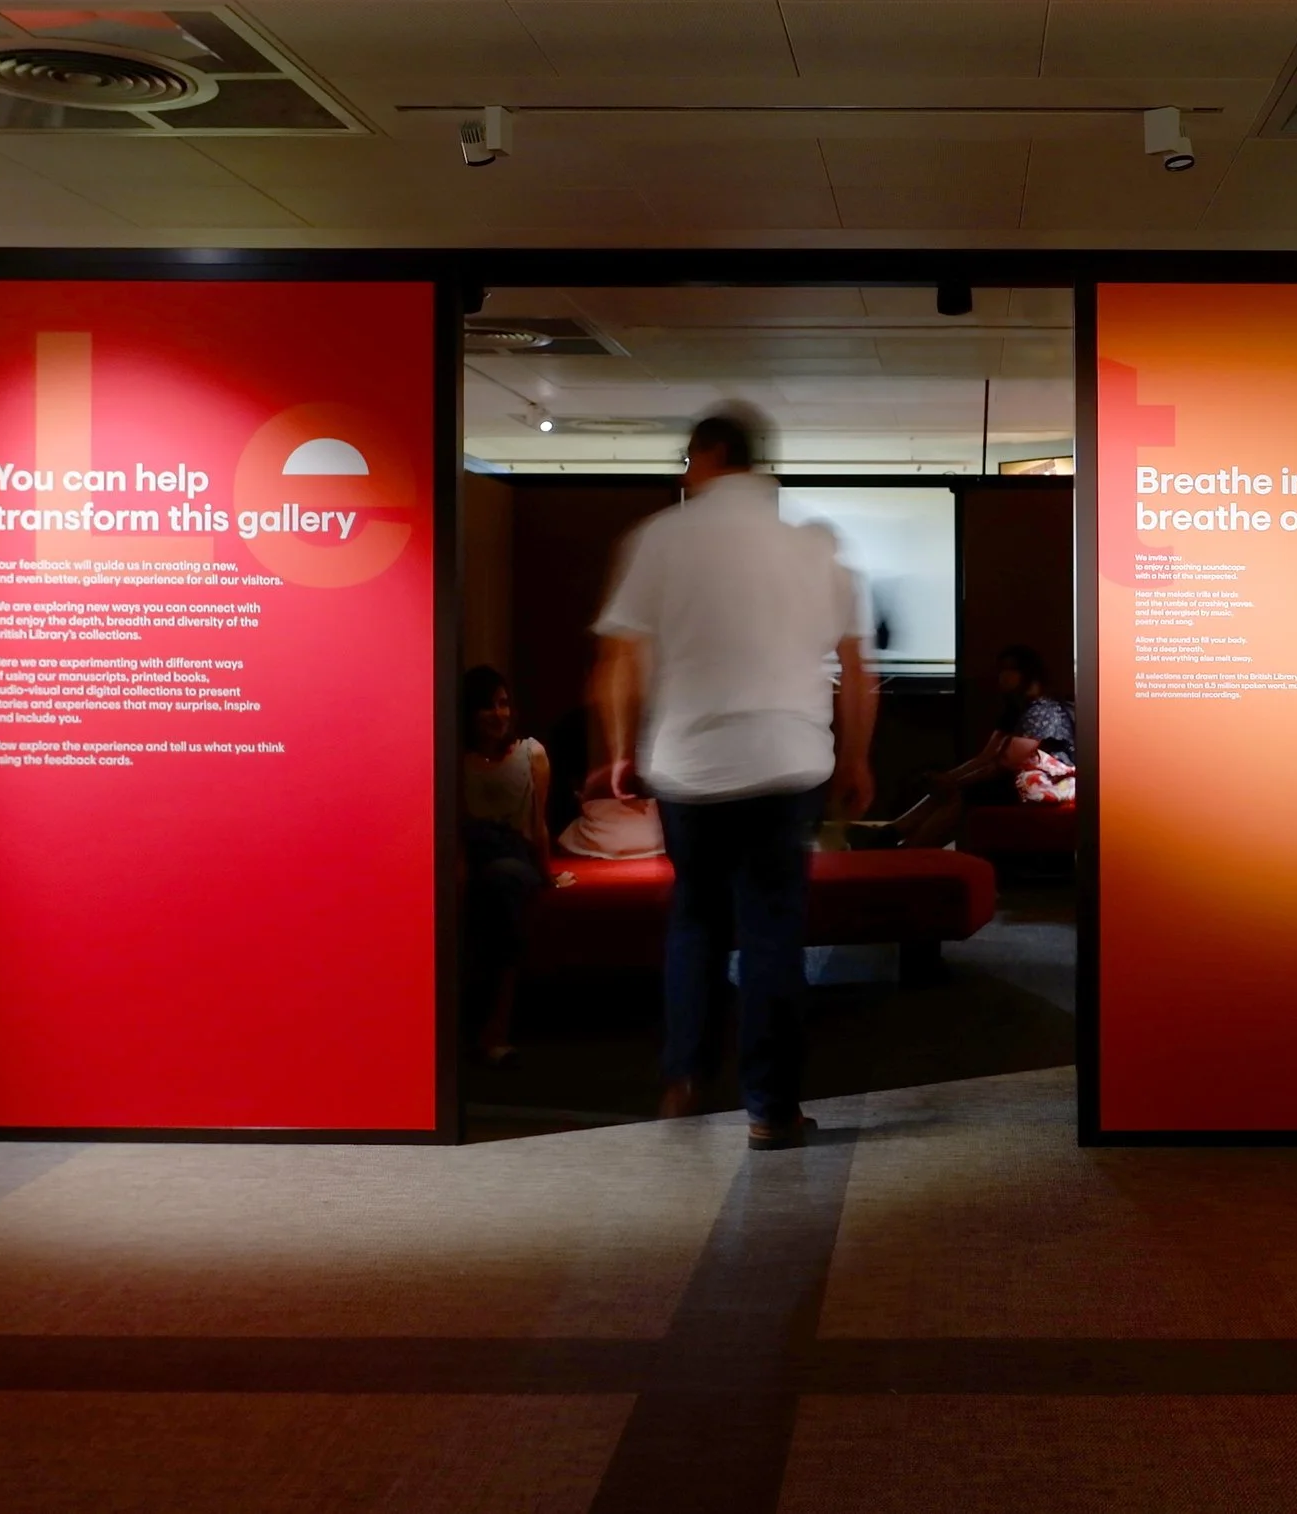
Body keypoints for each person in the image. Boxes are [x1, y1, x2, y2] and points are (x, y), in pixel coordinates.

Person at [591, 408, 874, 1148]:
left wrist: (621, 749)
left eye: (689, 460)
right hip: (788, 763)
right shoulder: (817, 547)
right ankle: (770, 1109)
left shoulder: (658, 538)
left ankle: (684, 1076)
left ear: (711, 456)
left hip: (690, 766)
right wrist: (857, 760)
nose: (685, 473)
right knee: (774, 934)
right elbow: (856, 670)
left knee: (696, 921)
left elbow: (619, 660)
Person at [850, 644, 1073, 849]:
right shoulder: (1016, 709)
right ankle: (891, 834)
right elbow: (985, 757)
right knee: (950, 789)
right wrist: (948, 778)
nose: (1003, 676)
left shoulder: (1043, 709)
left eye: (1010, 669)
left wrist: (955, 782)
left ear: (1027, 673)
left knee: (964, 793)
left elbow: (1007, 763)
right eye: (1001, 669)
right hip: (1014, 780)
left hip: (1043, 785)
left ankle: (910, 849)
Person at [460, 665, 552, 1066]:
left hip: (512, 855)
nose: (498, 714)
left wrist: (547, 874)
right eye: (487, 707)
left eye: (503, 704)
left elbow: (538, 823)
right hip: (471, 852)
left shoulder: (532, 754)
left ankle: (495, 1028)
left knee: (503, 883)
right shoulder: (456, 759)